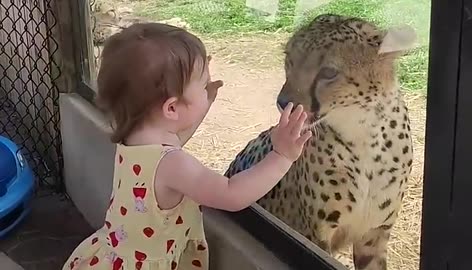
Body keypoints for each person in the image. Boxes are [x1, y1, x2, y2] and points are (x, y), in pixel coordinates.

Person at [63, 22, 312, 270]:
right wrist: (281, 156)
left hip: (113, 255)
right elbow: (231, 194)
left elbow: (174, 141)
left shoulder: (134, 138)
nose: (209, 87)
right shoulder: (172, 164)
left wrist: (202, 105)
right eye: (204, 85)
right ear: (172, 108)